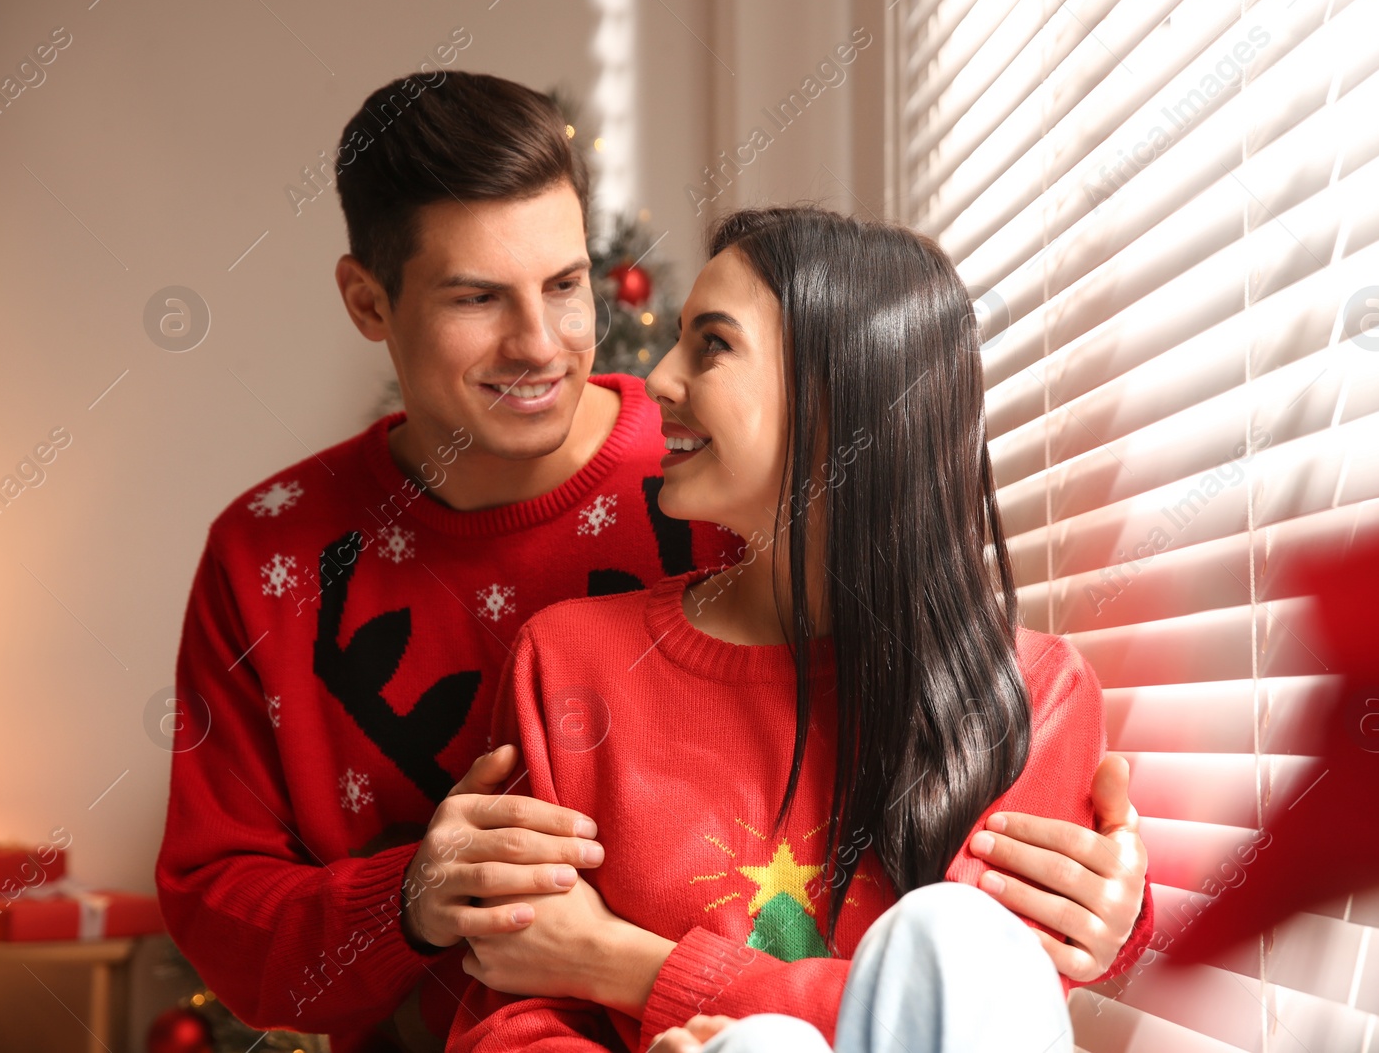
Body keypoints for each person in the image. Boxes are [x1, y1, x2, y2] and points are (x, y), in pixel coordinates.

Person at [154, 73, 1150, 1053]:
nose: (540, 343)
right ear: (368, 301)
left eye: (565, 283)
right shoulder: (273, 555)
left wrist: (1101, 915)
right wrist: (414, 894)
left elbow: (970, 966)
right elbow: (228, 915)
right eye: (475, 297)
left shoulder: (722, 475)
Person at [445, 208, 1156, 1053]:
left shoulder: (1031, 696)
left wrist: (632, 967)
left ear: (841, 391)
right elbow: (514, 1014)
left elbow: (965, 1007)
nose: (659, 379)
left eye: (711, 345)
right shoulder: (570, 663)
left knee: (943, 938)